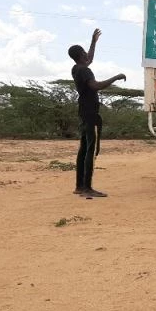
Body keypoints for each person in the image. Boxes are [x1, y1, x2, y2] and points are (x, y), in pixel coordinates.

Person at [68, 28, 126, 199]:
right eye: (85, 52)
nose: (88, 54)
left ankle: (79, 186)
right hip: (90, 113)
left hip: (83, 112)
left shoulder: (76, 68)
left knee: (83, 148)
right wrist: (115, 78)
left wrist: (93, 42)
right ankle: (87, 187)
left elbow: (90, 59)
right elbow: (96, 86)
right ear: (81, 55)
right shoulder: (84, 71)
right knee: (91, 149)